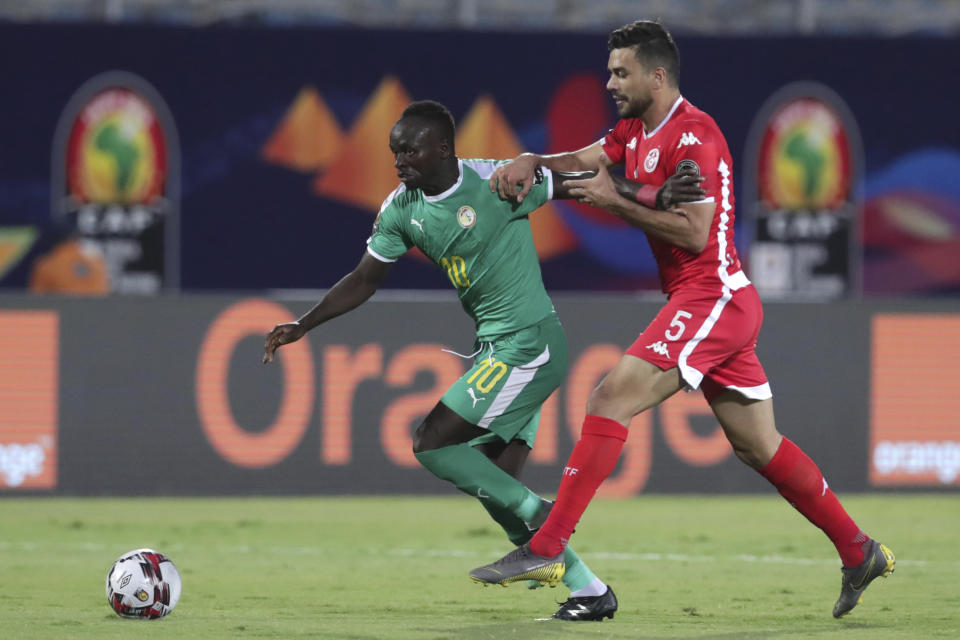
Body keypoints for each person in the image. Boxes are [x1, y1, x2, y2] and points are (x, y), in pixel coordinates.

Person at [470, 21, 895, 620]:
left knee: (608, 398)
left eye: (622, 71)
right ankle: (859, 550)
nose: (610, 81)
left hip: (711, 295)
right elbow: (586, 161)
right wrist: (532, 159)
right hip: (713, 300)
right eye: (610, 70)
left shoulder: (695, 135)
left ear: (657, 74)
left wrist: (616, 200)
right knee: (759, 446)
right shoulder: (632, 132)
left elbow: (695, 232)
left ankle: (546, 545)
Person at [263, 99, 705, 621]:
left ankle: (545, 516)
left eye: (410, 149)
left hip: (530, 346)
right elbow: (364, 279)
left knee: (431, 442)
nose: (399, 159)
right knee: (493, 483)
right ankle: (589, 590)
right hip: (498, 351)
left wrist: (654, 194)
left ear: (445, 149)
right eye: (394, 150)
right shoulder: (401, 209)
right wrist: (304, 324)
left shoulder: (497, 183)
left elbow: (584, 184)